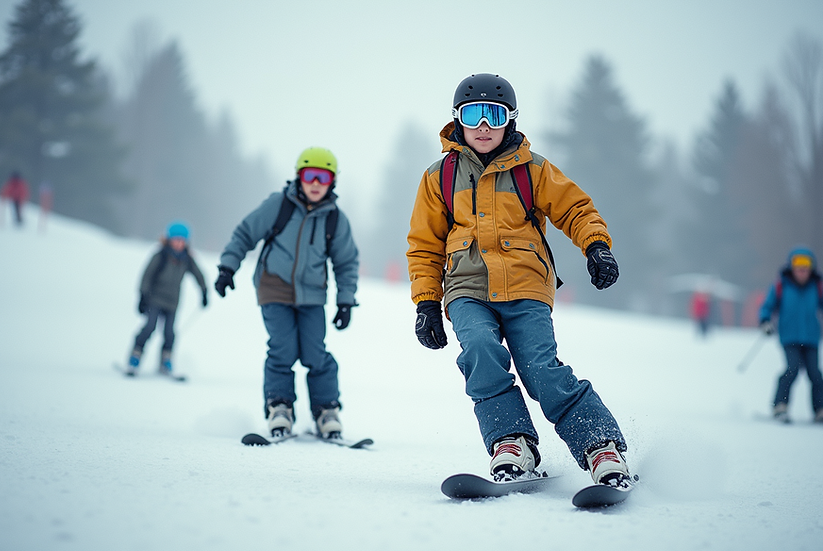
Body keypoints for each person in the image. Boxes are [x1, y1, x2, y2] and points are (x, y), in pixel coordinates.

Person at [406, 73, 632, 487]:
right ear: (458, 120)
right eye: (473, 115)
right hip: (467, 288)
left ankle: (600, 447)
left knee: (540, 369)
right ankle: (512, 443)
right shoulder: (440, 176)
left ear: (510, 119)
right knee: (479, 351)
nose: (484, 126)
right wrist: (426, 303)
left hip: (527, 286)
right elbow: (424, 244)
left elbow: (575, 209)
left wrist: (596, 245)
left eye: (493, 114)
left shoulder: (534, 170)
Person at [215, 147, 359, 439]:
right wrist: (227, 268)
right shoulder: (279, 205)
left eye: (324, 177)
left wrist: (345, 300)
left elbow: (346, 262)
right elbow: (245, 233)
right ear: (299, 177)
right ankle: (279, 406)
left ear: (333, 181)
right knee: (283, 349)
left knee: (315, 353)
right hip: (274, 287)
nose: (316, 183)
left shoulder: (334, 219)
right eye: (310, 175)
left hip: (312, 294)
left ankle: (326, 410)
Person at [757, 247, 823, 424]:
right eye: (798, 265)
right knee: (792, 369)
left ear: (811, 268)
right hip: (790, 337)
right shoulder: (781, 285)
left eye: (806, 266)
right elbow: (767, 306)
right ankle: (780, 406)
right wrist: (764, 321)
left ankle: (821, 410)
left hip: (811, 338)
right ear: (791, 267)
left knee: (815, 374)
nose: (802, 270)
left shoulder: (817, 287)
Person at [128, 221, 208, 376]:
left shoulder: (187, 259)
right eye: (176, 239)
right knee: (149, 327)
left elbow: (198, 275)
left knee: (170, 333)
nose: (179, 243)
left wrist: (204, 291)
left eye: (182, 240)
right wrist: (142, 295)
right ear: (169, 240)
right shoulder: (160, 256)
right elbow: (147, 276)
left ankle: (166, 360)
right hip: (155, 299)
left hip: (172, 302)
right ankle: (135, 355)